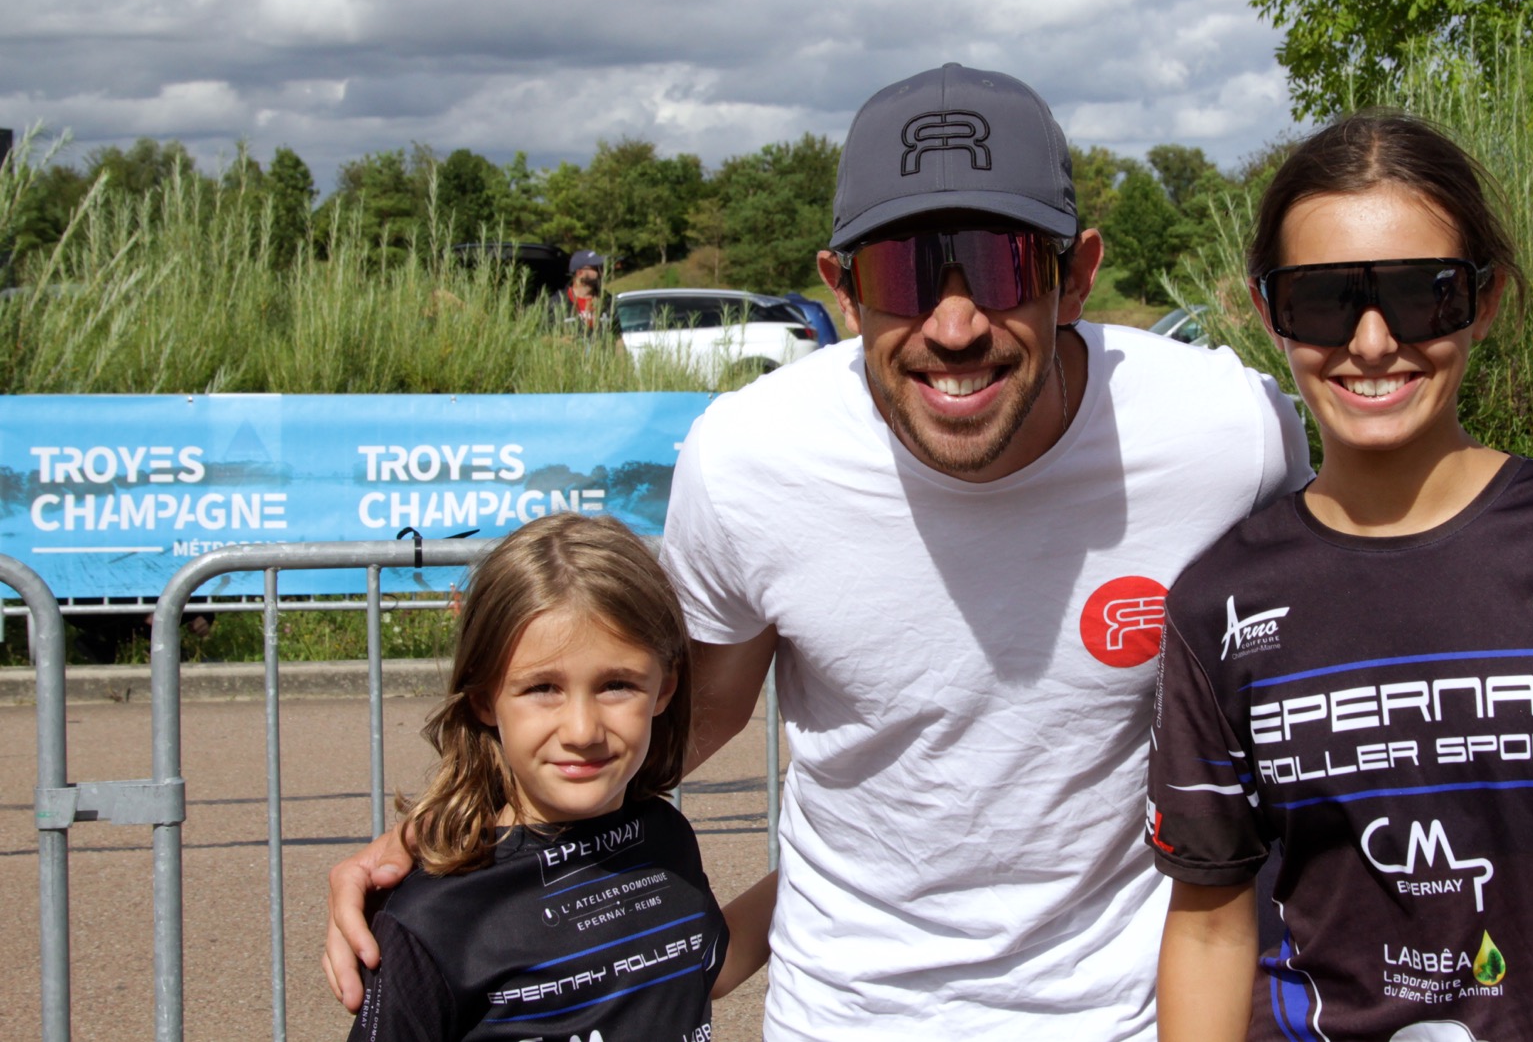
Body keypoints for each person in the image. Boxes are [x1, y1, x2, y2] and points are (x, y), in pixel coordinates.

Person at [325, 62, 1312, 1037]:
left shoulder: (1226, 434)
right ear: (841, 289)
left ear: (1076, 274)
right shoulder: (753, 457)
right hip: (847, 1015)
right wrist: (437, 838)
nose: (955, 323)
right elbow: (679, 722)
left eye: (1003, 264)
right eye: (902, 273)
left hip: (1122, 1016)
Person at [1146, 112, 1533, 1041]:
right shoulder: (1215, 601)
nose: (1369, 342)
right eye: (1322, 301)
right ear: (1268, 308)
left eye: (1418, 294)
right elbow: (1207, 926)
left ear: (1485, 299)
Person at [346, 512, 765, 1041]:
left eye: (617, 685)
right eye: (543, 688)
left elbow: (700, 968)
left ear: (664, 688)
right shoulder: (433, 917)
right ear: (483, 697)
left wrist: (841, 865)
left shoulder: (665, 837)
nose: (583, 729)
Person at [548, 248, 617, 337]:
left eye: (602, 268)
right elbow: (544, 336)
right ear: (579, 273)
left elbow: (618, 336)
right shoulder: (557, 302)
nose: (602, 272)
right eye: (596, 268)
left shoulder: (608, 301)